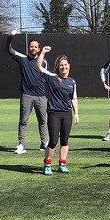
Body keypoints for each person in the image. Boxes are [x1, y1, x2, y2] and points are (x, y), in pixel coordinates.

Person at [35, 46, 79, 176]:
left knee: (65, 140)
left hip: (67, 114)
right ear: (57, 67)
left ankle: (62, 164)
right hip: (54, 113)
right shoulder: (52, 77)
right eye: (61, 65)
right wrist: (42, 52)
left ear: (69, 66)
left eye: (65, 65)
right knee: (53, 140)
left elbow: (74, 98)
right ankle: (47, 164)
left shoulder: (72, 81)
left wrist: (76, 113)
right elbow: (39, 67)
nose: (64, 67)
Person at [6, 30, 48, 154]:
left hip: (41, 96)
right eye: (31, 46)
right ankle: (21, 145)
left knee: (42, 121)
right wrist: (10, 37)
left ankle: (44, 143)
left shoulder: (44, 62)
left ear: (39, 49)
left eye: (35, 47)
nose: (33, 48)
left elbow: (48, 78)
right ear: (28, 47)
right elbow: (9, 49)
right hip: (26, 95)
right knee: (23, 121)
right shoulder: (22, 58)